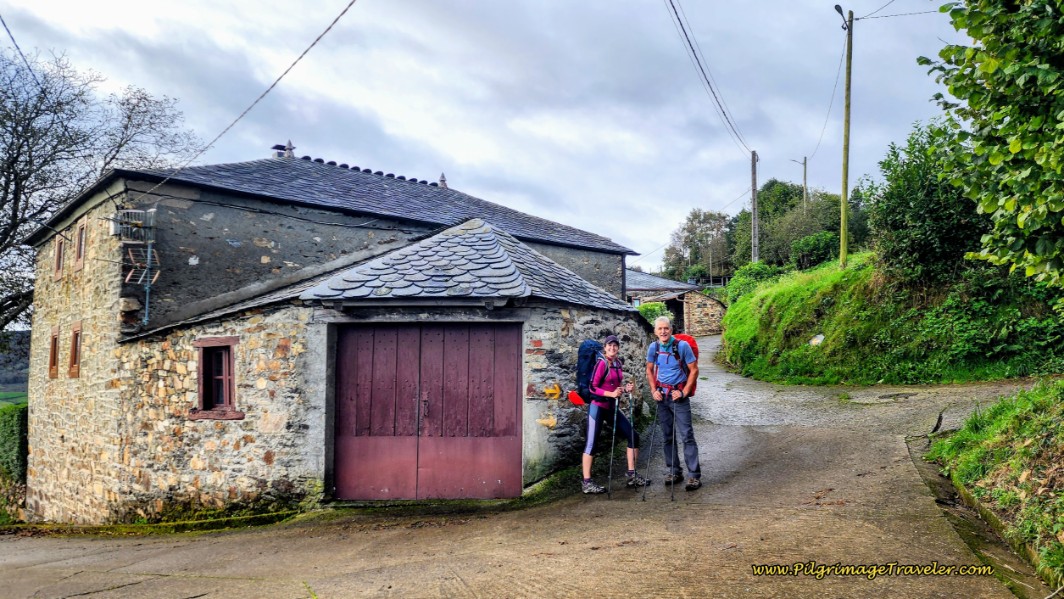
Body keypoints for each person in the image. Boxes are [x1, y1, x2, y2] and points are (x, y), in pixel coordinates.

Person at [581, 335, 650, 494]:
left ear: (618, 348)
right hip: (597, 407)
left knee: (633, 436)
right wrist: (610, 394)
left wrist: (625, 389)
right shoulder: (601, 363)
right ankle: (586, 483)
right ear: (604, 348)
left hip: (611, 408)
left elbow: (615, 386)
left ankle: (632, 474)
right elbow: (593, 388)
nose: (612, 348)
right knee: (592, 444)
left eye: (615, 346)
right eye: (609, 346)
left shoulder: (618, 364)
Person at [645, 316, 702, 491]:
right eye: (660, 329)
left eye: (666, 328)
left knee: (686, 435)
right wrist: (653, 390)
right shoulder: (653, 348)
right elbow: (649, 369)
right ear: (655, 331)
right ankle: (674, 471)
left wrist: (684, 392)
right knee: (668, 436)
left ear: (671, 330)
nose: (663, 332)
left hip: (679, 397)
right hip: (662, 397)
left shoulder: (682, 347)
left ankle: (693, 476)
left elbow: (694, 370)